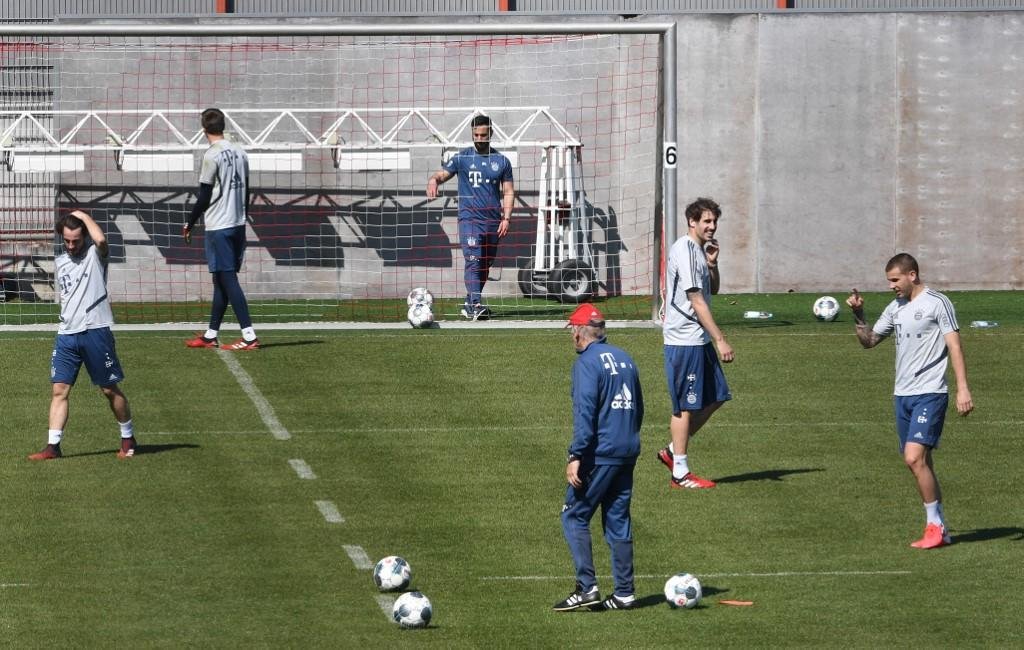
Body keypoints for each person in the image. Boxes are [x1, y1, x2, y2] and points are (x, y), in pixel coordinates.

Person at [846, 253, 973, 549]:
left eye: (895, 280)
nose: (891, 286)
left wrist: (962, 388)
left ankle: (935, 526)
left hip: (930, 392)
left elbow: (954, 345)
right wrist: (858, 315)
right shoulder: (896, 308)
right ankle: (939, 527)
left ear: (912, 275)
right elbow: (869, 342)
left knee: (913, 458)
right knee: (921, 462)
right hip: (902, 394)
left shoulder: (937, 303)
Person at [554, 303, 644, 612]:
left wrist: (576, 454)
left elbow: (585, 412)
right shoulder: (626, 358)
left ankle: (587, 588)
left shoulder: (586, 364)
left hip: (599, 453)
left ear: (579, 331)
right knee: (617, 521)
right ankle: (625, 593)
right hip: (627, 450)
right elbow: (639, 409)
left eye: (572, 331)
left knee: (574, 515)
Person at [29, 210, 136, 461]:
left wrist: (83, 215)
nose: (71, 245)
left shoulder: (95, 255)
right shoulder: (61, 261)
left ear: (83, 236)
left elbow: (100, 241)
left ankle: (128, 437)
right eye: (66, 240)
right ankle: (53, 447)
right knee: (59, 390)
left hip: (95, 330)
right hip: (67, 334)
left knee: (109, 389)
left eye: (76, 240)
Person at [657, 197, 734, 489]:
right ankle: (680, 472)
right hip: (684, 340)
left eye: (714, 221)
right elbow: (696, 299)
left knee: (716, 397)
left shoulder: (699, 252)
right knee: (684, 407)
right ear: (692, 222)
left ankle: (671, 451)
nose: (712, 227)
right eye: (707, 221)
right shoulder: (686, 250)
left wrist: (712, 264)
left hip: (697, 338)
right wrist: (721, 339)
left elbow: (711, 287)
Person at [183, 107, 259, 351]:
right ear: (223, 126)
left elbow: (204, 196)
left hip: (219, 225)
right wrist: (243, 215)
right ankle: (210, 334)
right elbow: (247, 189)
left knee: (228, 279)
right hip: (237, 223)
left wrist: (190, 222)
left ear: (204, 129)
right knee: (221, 281)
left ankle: (249, 336)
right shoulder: (240, 151)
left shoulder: (211, 156)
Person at [425, 114, 514, 321]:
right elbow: (441, 174)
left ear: (490, 133)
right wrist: (433, 180)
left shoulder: (502, 161)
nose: (480, 138)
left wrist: (506, 218)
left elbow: (508, 191)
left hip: (493, 221)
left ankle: (470, 301)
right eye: (476, 134)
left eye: (484, 134)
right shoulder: (462, 158)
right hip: (470, 220)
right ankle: (475, 305)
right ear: (472, 134)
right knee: (473, 260)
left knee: (485, 263)